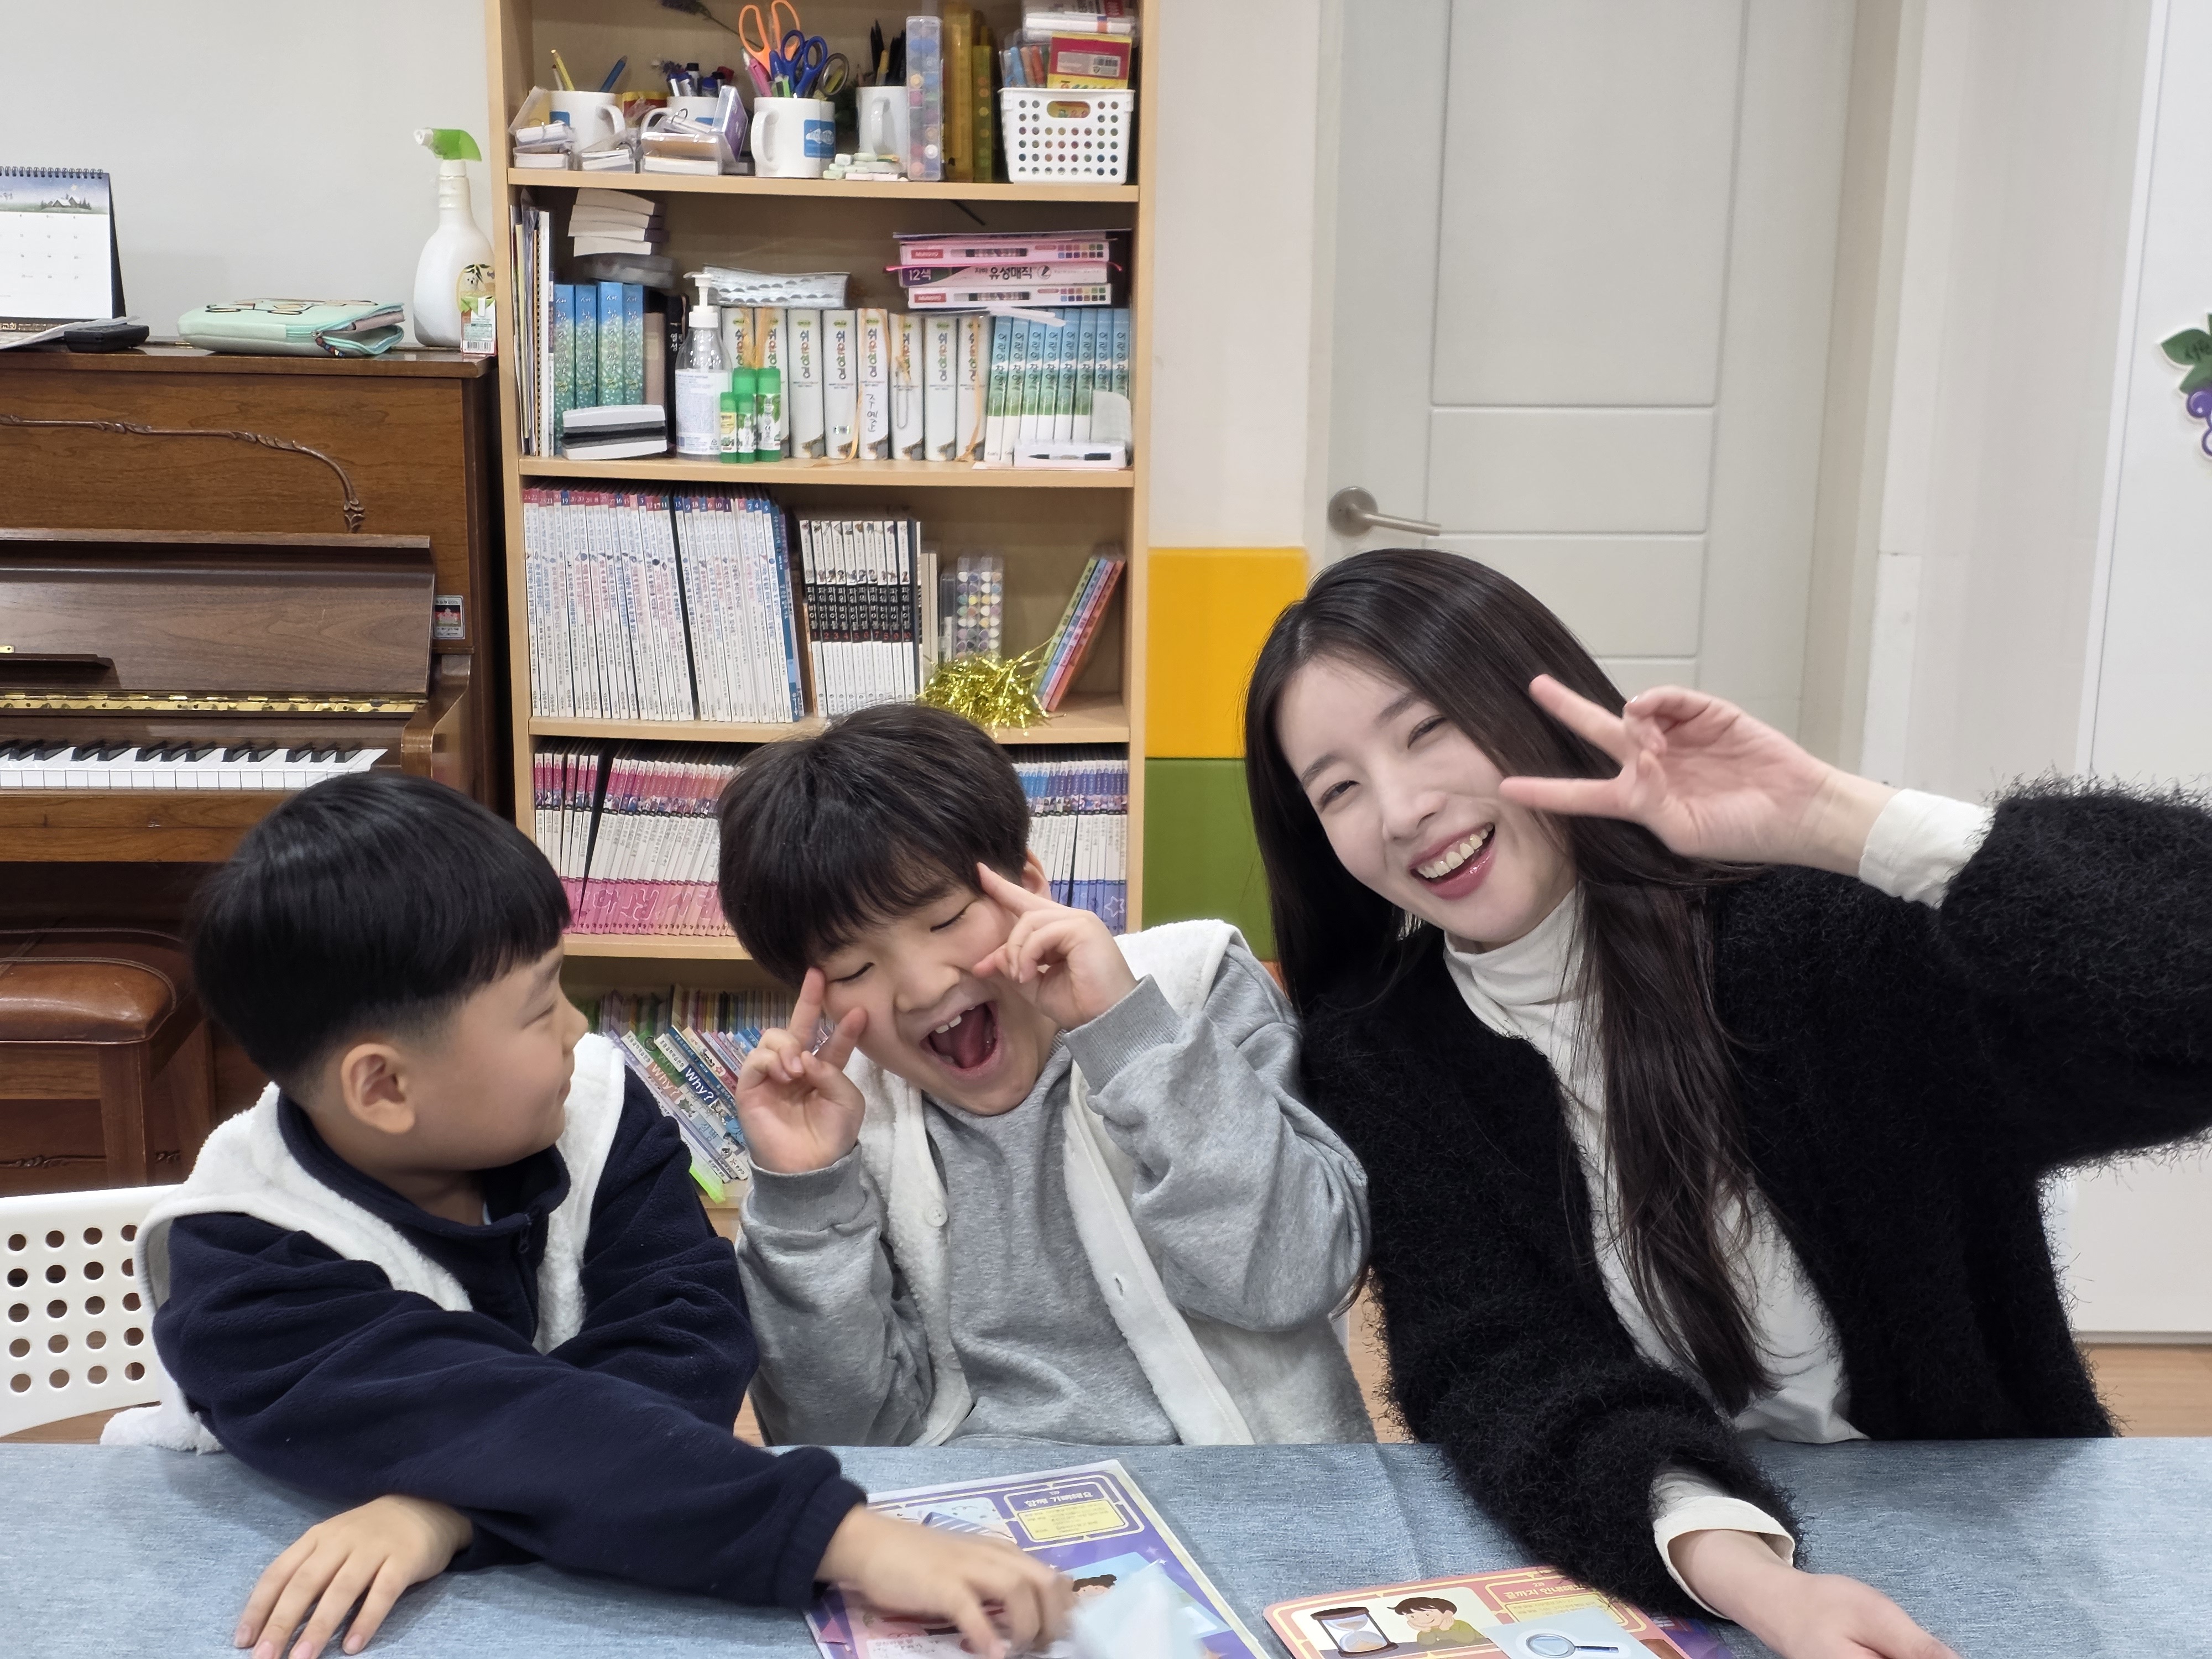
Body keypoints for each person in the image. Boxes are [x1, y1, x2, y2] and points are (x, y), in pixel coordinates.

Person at [1242, 550, 2212, 1659]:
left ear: (1537, 709)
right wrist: (1755, 1583)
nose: (1403, 809)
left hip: (2003, 1532)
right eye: (1338, 788)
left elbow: (2181, 1000)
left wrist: (1844, 824)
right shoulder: (1382, 1051)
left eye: (1427, 731)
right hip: (1695, 1566)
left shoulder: (1809, 939)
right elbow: (1501, 1367)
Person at [109, 773, 1069, 1659]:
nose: (581, 1027)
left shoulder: (596, 1107)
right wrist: (845, 1539)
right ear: (385, 1087)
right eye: (540, 1010)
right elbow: (487, 1413)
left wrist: (452, 1512)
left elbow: (689, 1350)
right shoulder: (246, 1266)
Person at [714, 703, 1371, 1449]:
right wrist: (805, 1199)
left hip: (1243, 1489)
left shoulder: (1194, 988)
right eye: (853, 968)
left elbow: (1298, 1273)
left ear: (1025, 885)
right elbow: (836, 1436)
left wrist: (1132, 1039)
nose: (923, 987)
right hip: (975, 1504)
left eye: (945, 920)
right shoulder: (850, 1116)